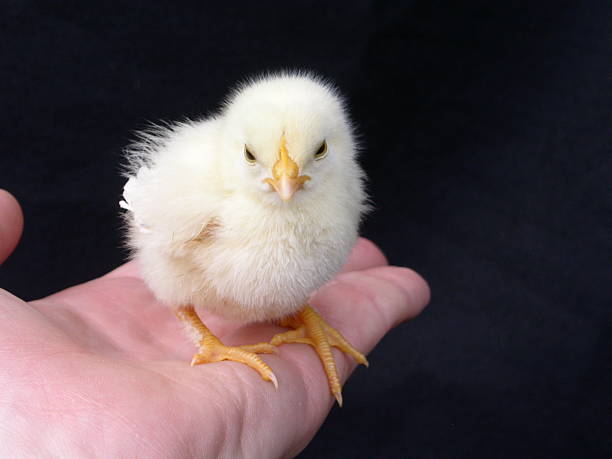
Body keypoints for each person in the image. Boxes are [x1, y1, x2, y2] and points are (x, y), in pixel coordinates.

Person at [0, 189, 429, 457]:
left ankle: (306, 316)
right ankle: (208, 337)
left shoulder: (326, 199)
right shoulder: (208, 199)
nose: (286, 175)